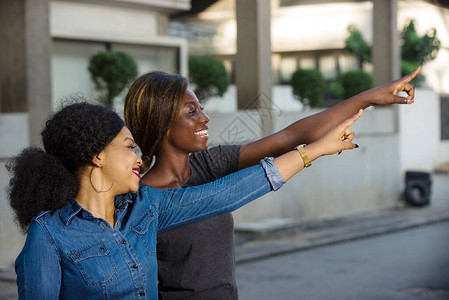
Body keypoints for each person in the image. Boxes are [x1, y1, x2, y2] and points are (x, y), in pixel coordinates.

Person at [8, 101, 361, 299]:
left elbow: (227, 193)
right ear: (97, 155)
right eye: (129, 147)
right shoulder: (49, 235)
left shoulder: (146, 207)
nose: (138, 158)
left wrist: (315, 150)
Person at [123, 67, 421, 299]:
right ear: (162, 121)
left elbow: (290, 137)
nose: (205, 117)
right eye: (192, 111)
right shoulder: (141, 201)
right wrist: (312, 152)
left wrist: (369, 98)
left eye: (200, 108)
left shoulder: (209, 166)